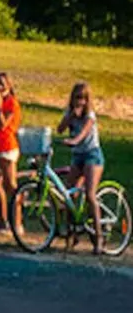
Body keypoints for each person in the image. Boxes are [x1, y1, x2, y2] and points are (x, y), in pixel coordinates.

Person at [58, 81, 105, 253]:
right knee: (69, 194)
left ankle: (98, 238)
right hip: (78, 156)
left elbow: (84, 133)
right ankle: (72, 233)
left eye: (83, 99)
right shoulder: (70, 113)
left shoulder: (90, 116)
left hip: (92, 155)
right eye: (77, 98)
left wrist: (74, 141)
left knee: (90, 194)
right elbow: (60, 129)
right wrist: (69, 117)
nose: (80, 102)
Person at [0, 72, 21, 231]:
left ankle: (17, 223)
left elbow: (3, 125)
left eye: (2, 84)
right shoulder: (0, 103)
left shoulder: (11, 103)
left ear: (9, 86)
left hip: (7, 148)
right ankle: (2, 220)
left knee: (11, 186)